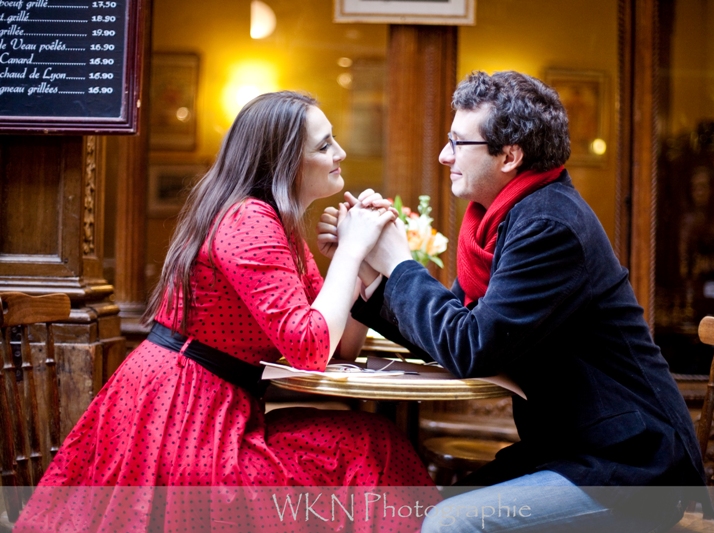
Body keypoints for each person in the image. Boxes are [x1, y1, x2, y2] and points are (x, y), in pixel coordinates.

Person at [15, 91, 438, 532]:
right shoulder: (248, 220)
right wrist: (350, 251)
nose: (340, 153)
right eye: (324, 145)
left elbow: (337, 349)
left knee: (372, 440)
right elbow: (311, 349)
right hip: (181, 422)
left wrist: (359, 263)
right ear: (285, 162)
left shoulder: (279, 225)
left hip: (216, 412)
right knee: (372, 446)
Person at [326, 71, 709, 532]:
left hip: (631, 464)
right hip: (576, 449)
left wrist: (401, 262)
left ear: (509, 155)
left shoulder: (549, 226)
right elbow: (453, 335)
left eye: (457, 143)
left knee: (449, 522)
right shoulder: (508, 218)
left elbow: (470, 346)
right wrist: (370, 273)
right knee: (418, 511)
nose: (444, 156)